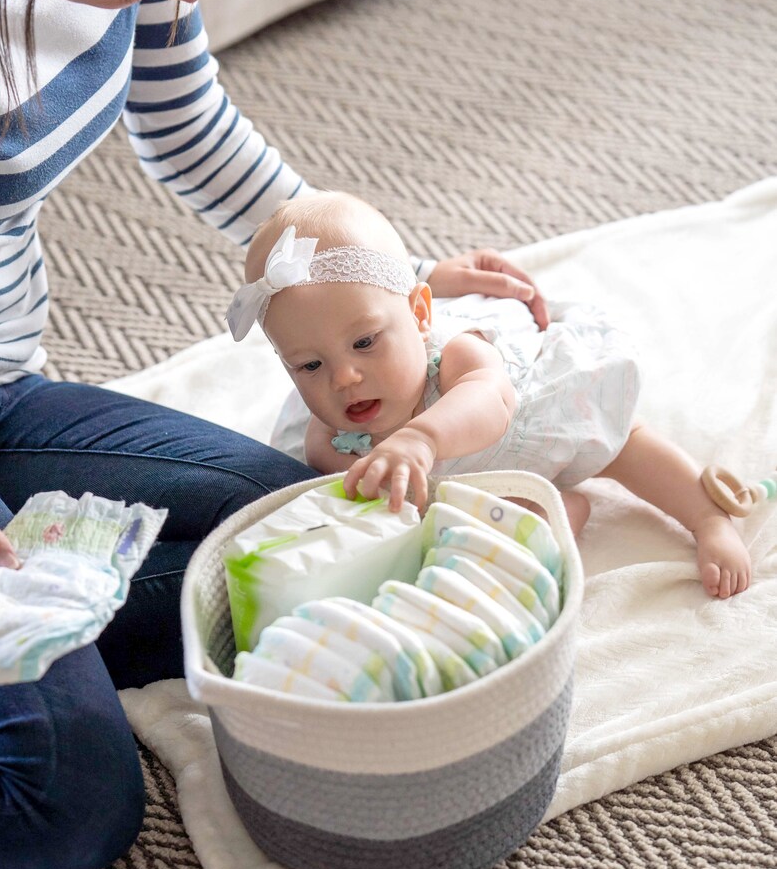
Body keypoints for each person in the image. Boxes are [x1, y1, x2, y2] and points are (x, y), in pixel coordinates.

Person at [0, 0, 545, 869]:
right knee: (71, 814)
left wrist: (377, 282)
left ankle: (38, 658)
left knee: (290, 523)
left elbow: (188, 125)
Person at [229, 190, 752, 603]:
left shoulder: (455, 354)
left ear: (418, 315)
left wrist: (421, 438)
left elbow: (491, 402)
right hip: (473, 484)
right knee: (470, 548)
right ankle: (553, 510)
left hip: (527, 426)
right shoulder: (327, 438)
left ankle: (707, 517)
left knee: (621, 443)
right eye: (310, 365)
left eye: (365, 342)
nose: (343, 378)